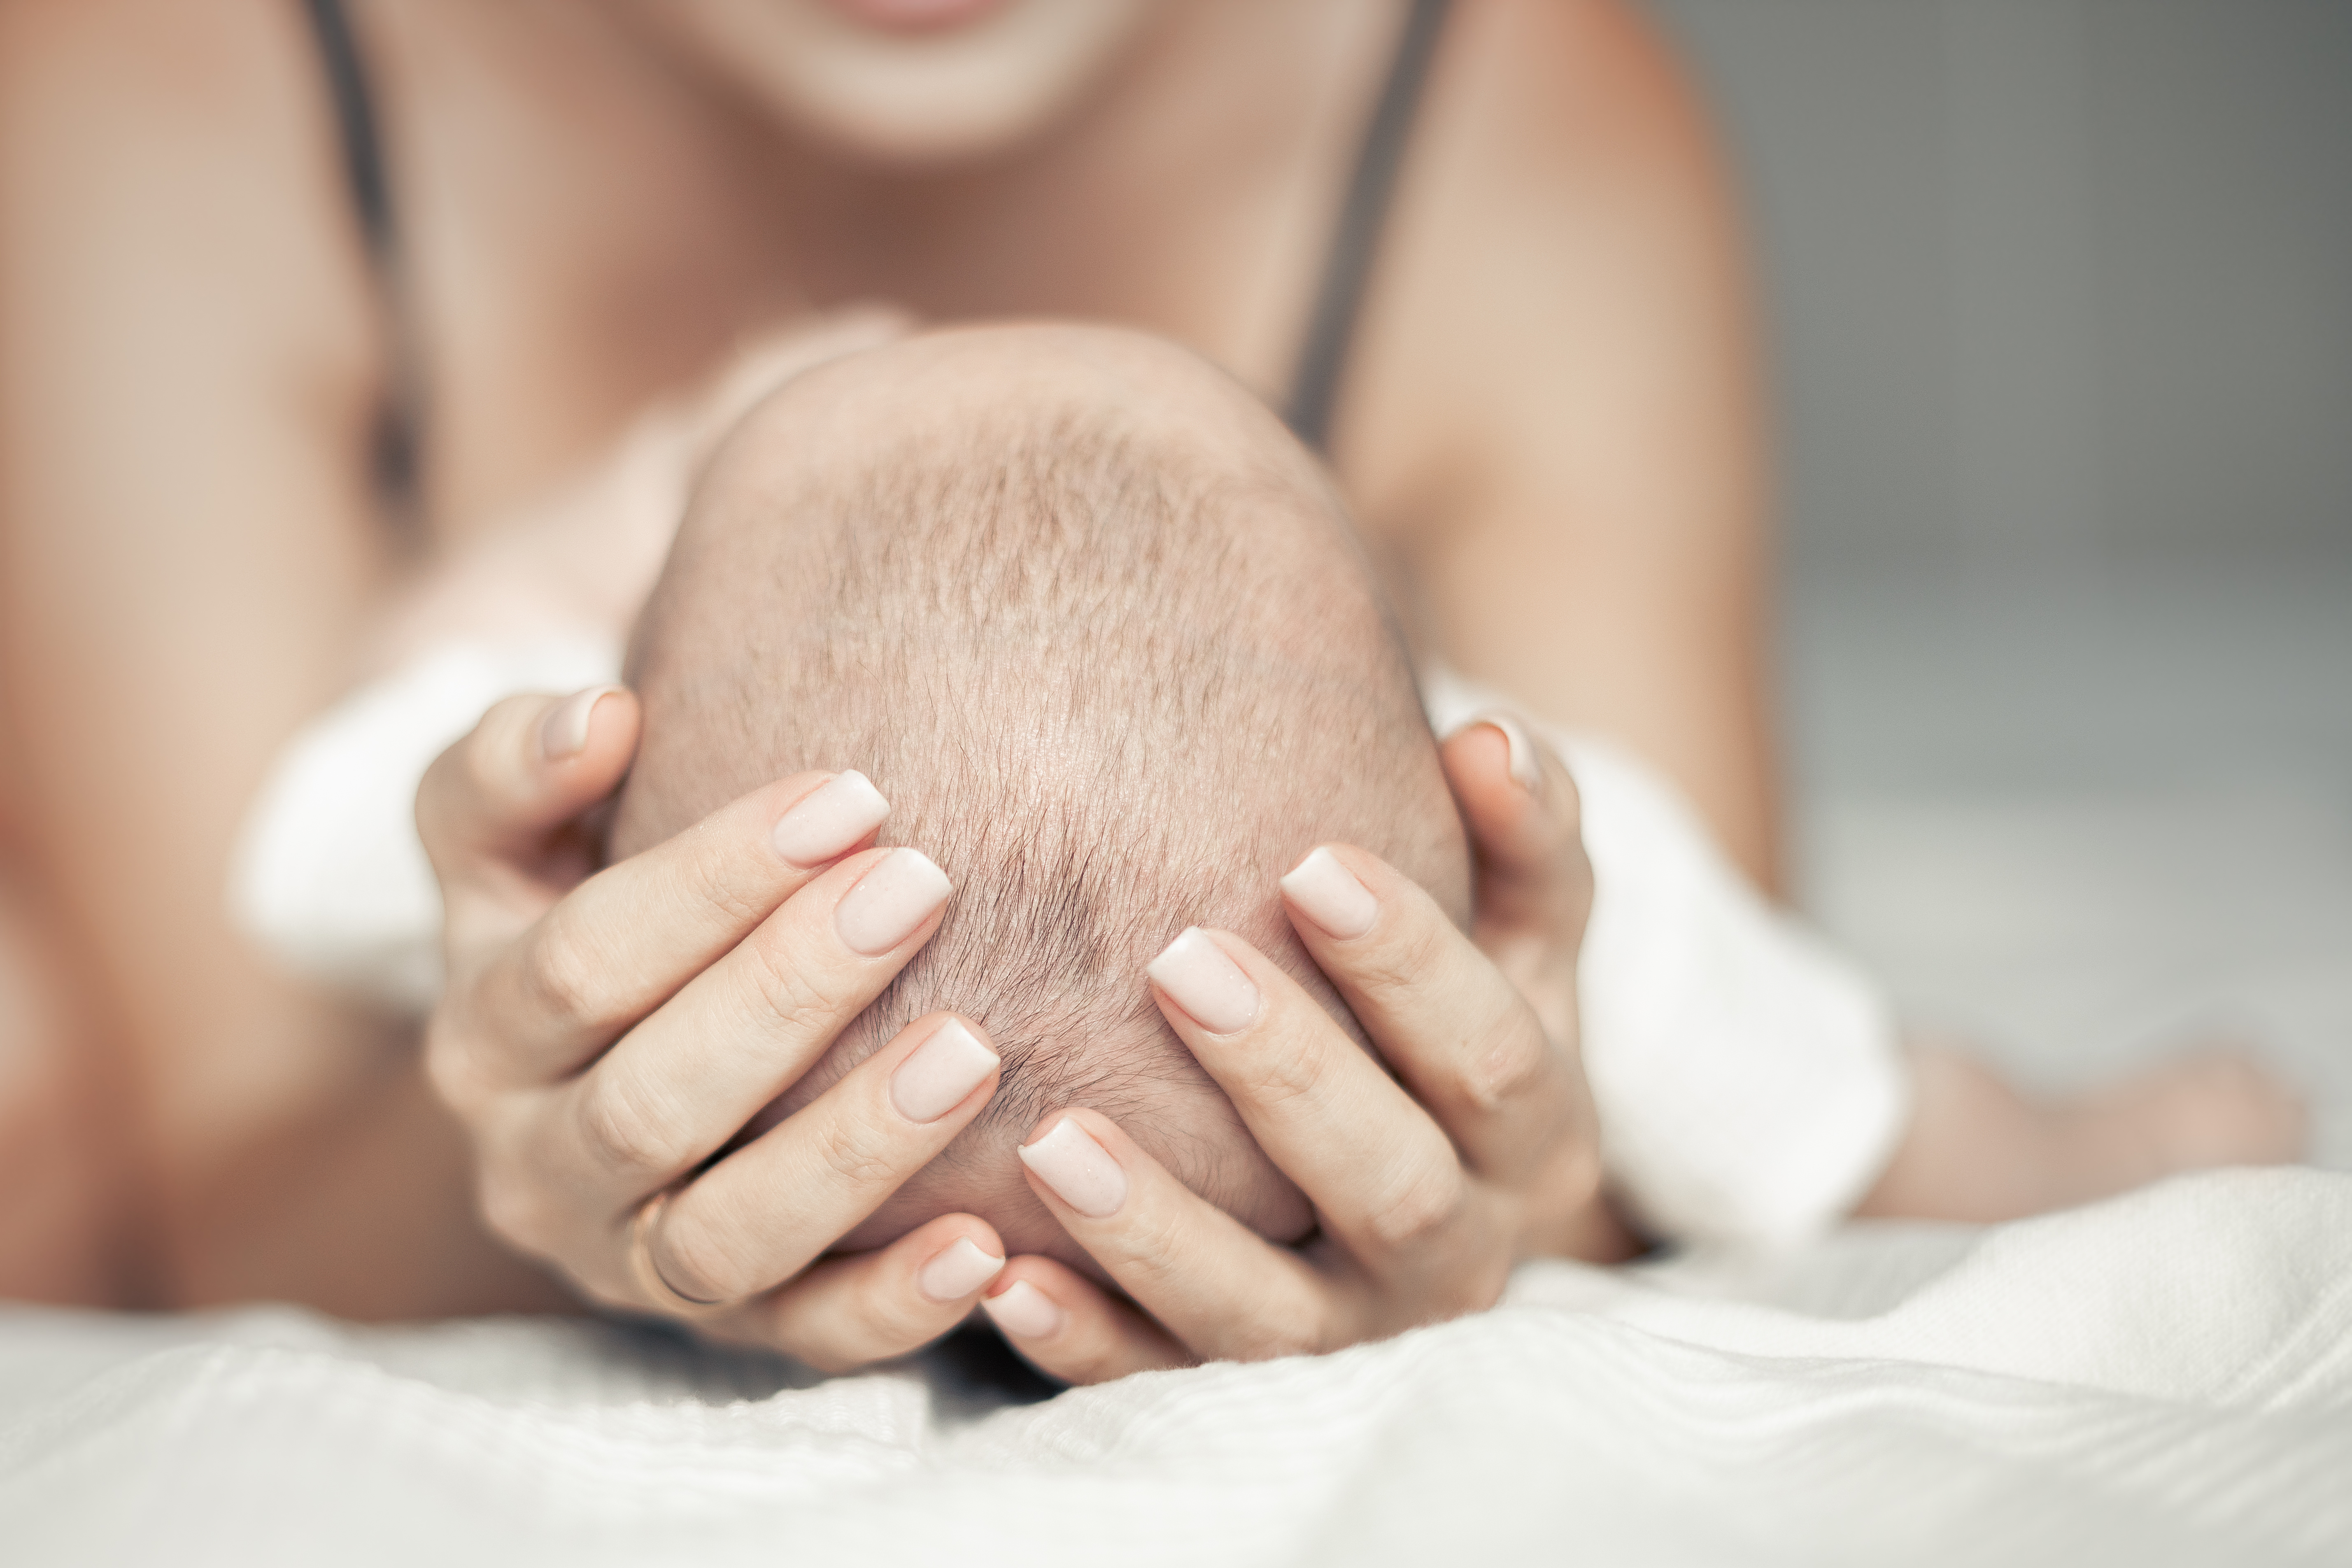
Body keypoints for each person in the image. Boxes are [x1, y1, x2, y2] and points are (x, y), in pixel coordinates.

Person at [0, 0, 1787, 1313]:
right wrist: (538, 1164)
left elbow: (1731, 1058)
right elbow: (219, 1211)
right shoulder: (167, 99)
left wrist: (1527, 1198)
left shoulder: (1498, 125)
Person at [438, 321, 2289, 1384]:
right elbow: (1830, 1116)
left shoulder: (570, 828)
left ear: (603, 804)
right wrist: (2086, 1151)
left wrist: (450, 740)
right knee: (1842, 1098)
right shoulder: (1560, 880)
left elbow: (305, 863)